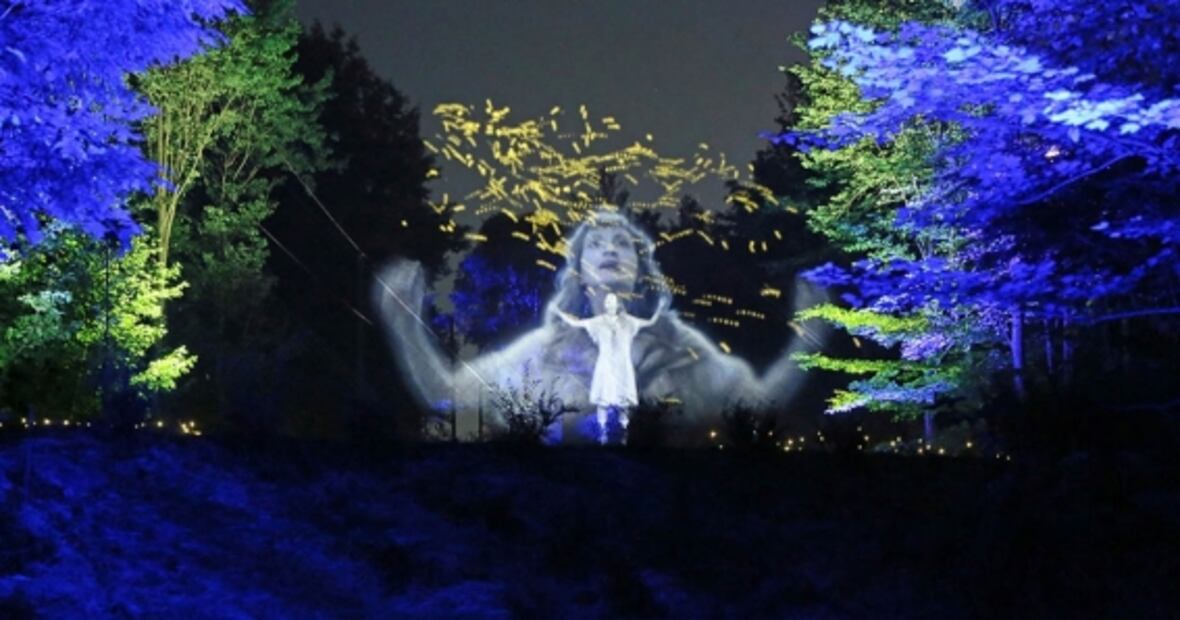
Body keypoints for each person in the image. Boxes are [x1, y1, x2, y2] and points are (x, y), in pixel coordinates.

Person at [373, 208, 826, 445]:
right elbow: (452, 396)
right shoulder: (540, 352)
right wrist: (404, 325)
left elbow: (757, 405)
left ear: (641, 269)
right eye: (597, 245)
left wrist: (811, 338)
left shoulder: (683, 350)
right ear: (580, 271)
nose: (610, 250)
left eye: (622, 244)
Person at [554, 292, 666, 443]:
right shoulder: (598, 321)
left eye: (612, 301)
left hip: (622, 366)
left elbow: (649, 322)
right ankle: (602, 433)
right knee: (603, 400)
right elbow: (577, 323)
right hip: (605, 365)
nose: (609, 303)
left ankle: (624, 432)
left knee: (624, 400)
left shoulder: (628, 321)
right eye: (607, 301)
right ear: (605, 305)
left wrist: (660, 308)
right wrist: (559, 312)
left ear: (617, 304)